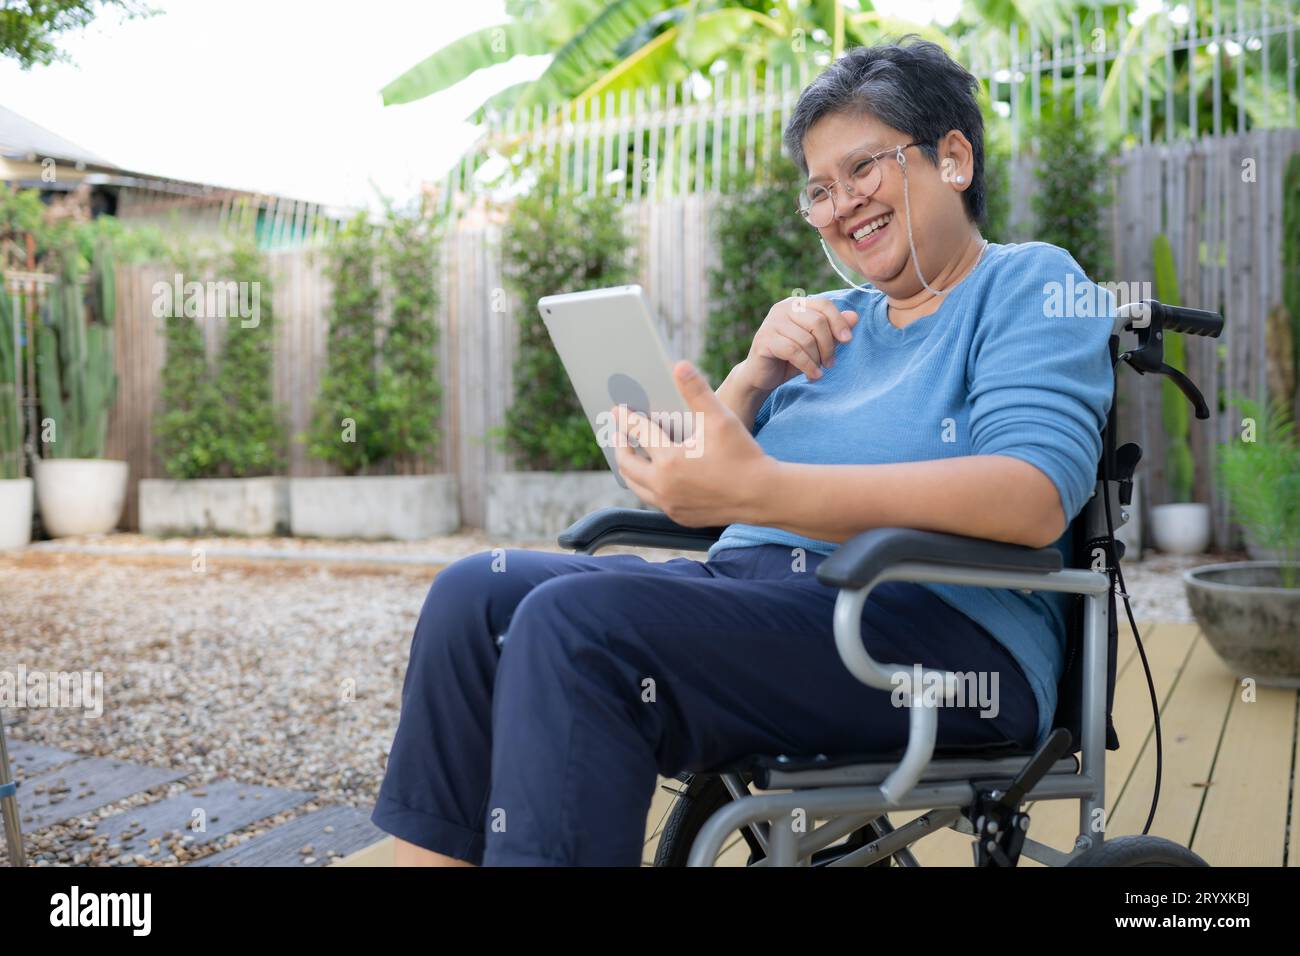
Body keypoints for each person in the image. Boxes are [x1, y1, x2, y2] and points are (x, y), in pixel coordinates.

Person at [371, 36, 1115, 867]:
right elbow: (693, 483)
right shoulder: (826, 322)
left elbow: (1031, 495)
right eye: (819, 190)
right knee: (476, 595)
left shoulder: (1027, 283)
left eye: (863, 169)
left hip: (930, 635)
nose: (840, 205)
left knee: (578, 626)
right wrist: (751, 377)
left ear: (952, 158)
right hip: (758, 601)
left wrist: (761, 491)